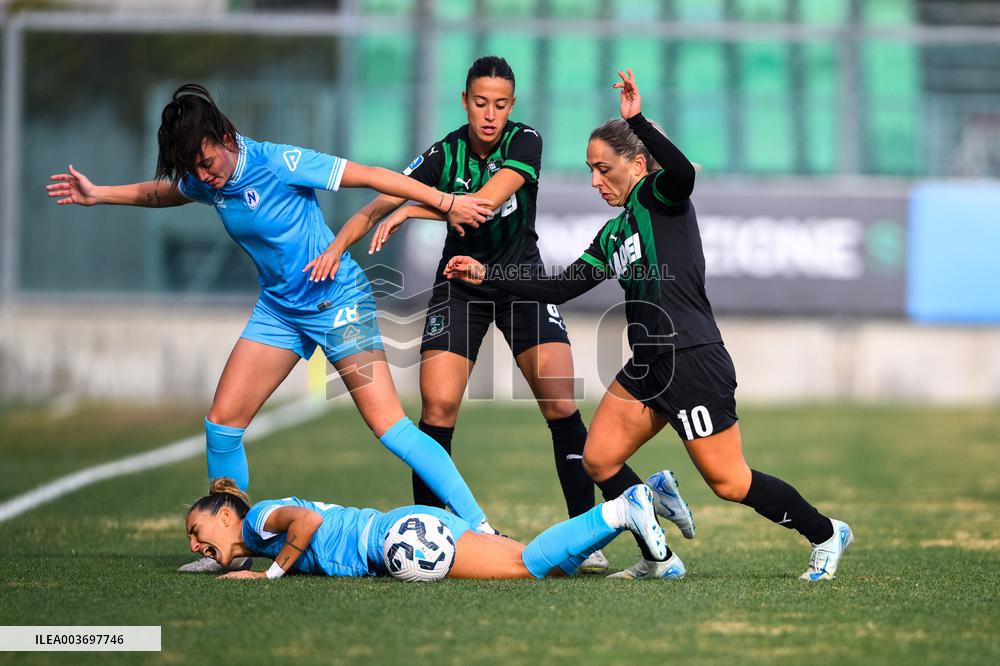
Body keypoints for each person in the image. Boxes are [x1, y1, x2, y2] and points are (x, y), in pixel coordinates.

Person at [47, 83, 500, 573]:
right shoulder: (203, 178)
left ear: (225, 137)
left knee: (389, 426)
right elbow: (164, 193)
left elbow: (371, 176)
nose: (204, 177)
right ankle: (232, 549)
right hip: (280, 312)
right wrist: (101, 195)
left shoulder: (279, 162)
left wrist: (447, 202)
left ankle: (480, 526)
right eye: (194, 170)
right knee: (222, 424)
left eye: (207, 163)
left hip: (338, 302)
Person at [444, 69, 854, 581]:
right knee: (598, 459)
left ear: (637, 164)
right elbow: (561, 287)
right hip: (648, 365)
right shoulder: (613, 232)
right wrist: (487, 274)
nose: (595, 180)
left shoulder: (660, 197)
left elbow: (683, 173)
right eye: (589, 170)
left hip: (692, 359)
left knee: (729, 482)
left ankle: (825, 532)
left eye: (603, 168)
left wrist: (638, 120)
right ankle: (658, 554)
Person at [319, 56, 685, 573]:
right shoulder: (445, 152)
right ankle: (430, 532)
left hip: (521, 282)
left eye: (500, 104)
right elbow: (377, 201)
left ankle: (587, 536)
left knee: (561, 404)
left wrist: (415, 207)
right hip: (459, 286)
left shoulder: (525, 141)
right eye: (480, 103)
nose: (490, 114)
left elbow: (484, 204)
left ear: (511, 106)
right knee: (438, 408)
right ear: (464, 102)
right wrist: (339, 246)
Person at [185, 476, 666, 581]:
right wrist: (225, 560)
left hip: (402, 542)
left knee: (527, 565)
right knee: (547, 565)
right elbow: (240, 554)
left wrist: (267, 578)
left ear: (226, 514)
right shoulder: (250, 539)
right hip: (408, 527)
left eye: (196, 529)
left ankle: (624, 510)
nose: (194, 543)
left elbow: (306, 523)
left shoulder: (261, 516)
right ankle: (653, 509)